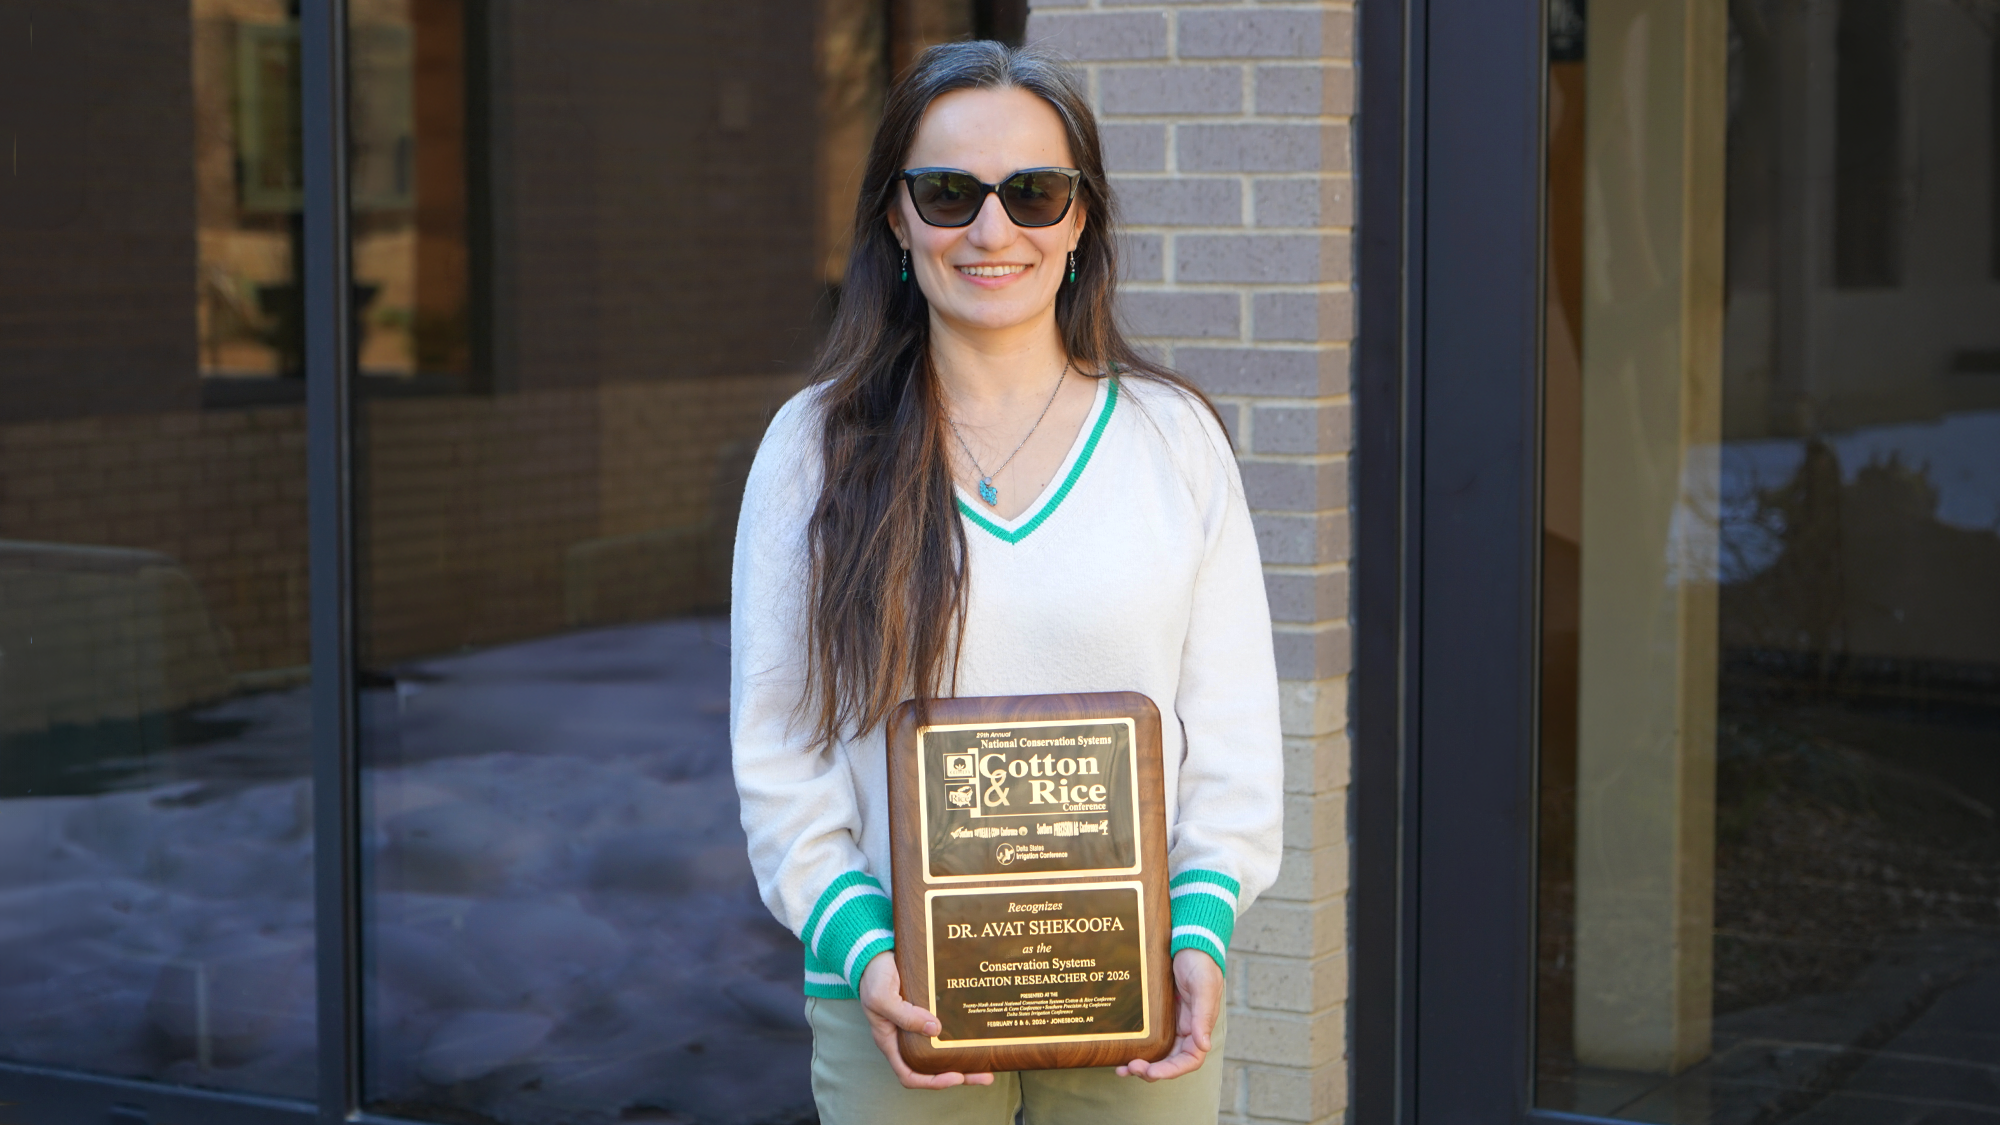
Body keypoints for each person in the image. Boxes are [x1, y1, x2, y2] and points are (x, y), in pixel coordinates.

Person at [729, 40, 1282, 1125]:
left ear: (1080, 221)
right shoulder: (814, 449)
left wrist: (1200, 928)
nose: (992, 231)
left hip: (1141, 990)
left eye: (1033, 193)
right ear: (897, 219)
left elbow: (1231, 737)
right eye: (949, 193)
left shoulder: (1173, 442)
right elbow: (780, 744)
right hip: (898, 1001)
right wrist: (862, 947)